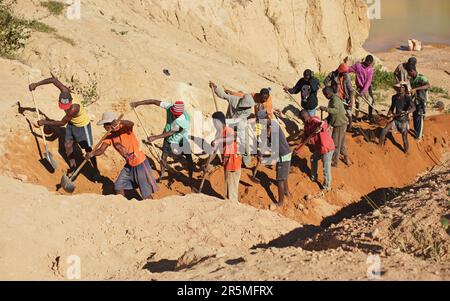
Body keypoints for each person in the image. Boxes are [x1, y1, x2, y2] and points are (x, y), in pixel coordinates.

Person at [29, 74, 97, 173]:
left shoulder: (73, 109)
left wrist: (45, 122)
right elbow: (53, 80)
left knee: (88, 148)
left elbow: (61, 123)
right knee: (68, 145)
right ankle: (73, 167)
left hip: (83, 126)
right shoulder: (65, 91)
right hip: (71, 123)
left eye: (66, 107)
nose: (64, 109)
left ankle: (95, 170)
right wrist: (36, 84)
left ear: (70, 102)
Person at [86, 112, 158, 199]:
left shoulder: (124, 128)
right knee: (119, 186)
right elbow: (101, 150)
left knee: (145, 193)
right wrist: (92, 153)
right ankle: (122, 205)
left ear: (110, 124)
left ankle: (151, 209)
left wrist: (120, 122)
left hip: (140, 163)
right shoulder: (109, 136)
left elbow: (131, 123)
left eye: (104, 125)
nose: (104, 127)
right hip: (129, 164)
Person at [130, 99, 193, 182]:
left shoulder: (183, 121)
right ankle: (162, 174)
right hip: (168, 138)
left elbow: (171, 132)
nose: (174, 115)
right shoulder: (170, 107)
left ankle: (191, 177)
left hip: (181, 139)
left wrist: (155, 137)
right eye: (174, 114)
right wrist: (137, 103)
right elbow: (154, 101)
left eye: (176, 115)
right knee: (164, 156)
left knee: (188, 158)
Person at [210, 82, 256, 168]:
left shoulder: (248, 111)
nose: (247, 108)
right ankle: (225, 160)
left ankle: (246, 162)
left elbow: (237, 120)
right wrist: (216, 88)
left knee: (244, 144)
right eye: (246, 106)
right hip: (228, 124)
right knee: (224, 141)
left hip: (240, 125)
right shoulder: (234, 99)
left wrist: (224, 121)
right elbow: (223, 95)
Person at [258, 109, 292, 207]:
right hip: (284, 153)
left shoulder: (273, 128)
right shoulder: (271, 125)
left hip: (283, 154)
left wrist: (263, 154)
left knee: (280, 179)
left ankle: (280, 202)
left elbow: (273, 149)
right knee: (283, 175)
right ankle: (287, 192)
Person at [206, 112, 242, 202]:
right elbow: (214, 151)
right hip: (227, 164)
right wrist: (207, 163)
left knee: (232, 191)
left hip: (233, 164)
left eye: (215, 123)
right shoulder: (219, 133)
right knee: (228, 189)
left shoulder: (228, 130)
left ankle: (234, 209)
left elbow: (232, 137)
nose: (214, 125)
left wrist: (219, 140)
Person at [297, 110, 335, 192]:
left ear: (304, 117)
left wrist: (320, 127)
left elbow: (322, 123)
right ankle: (314, 177)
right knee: (313, 159)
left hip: (327, 147)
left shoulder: (314, 120)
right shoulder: (306, 126)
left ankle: (327, 187)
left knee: (326, 168)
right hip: (320, 148)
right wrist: (298, 150)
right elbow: (304, 139)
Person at [379, 82, 416, 153]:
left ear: (404, 88)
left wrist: (407, 112)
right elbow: (392, 107)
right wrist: (388, 115)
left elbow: (414, 108)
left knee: (404, 138)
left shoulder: (407, 97)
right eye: (398, 87)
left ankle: (406, 152)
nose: (399, 89)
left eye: (401, 87)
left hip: (404, 121)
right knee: (384, 131)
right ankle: (379, 147)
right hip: (395, 119)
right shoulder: (394, 97)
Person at [319, 87, 350, 167]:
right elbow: (332, 114)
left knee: (335, 143)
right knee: (341, 143)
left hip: (340, 124)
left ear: (328, 94)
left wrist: (325, 109)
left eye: (325, 95)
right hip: (341, 123)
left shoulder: (335, 99)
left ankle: (334, 161)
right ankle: (346, 158)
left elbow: (335, 110)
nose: (325, 97)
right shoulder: (333, 99)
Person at [324, 63, 354, 130]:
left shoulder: (347, 77)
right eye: (344, 72)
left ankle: (350, 126)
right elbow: (325, 81)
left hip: (345, 97)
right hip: (336, 97)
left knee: (348, 112)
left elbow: (351, 90)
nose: (345, 73)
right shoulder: (333, 74)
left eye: (346, 72)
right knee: (333, 111)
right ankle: (332, 124)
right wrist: (329, 90)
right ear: (340, 71)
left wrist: (351, 101)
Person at [406, 63, 430, 140]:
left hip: (422, 101)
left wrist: (416, 89)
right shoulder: (411, 80)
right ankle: (418, 133)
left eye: (408, 72)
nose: (408, 74)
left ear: (412, 71)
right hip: (415, 101)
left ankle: (419, 137)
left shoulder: (421, 78)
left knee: (419, 117)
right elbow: (413, 91)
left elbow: (428, 85)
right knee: (415, 117)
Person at [349, 55, 375, 120]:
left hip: (367, 88)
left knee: (370, 101)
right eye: (367, 62)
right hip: (359, 87)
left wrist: (363, 92)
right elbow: (349, 69)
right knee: (358, 102)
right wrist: (344, 71)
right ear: (365, 60)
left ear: (371, 63)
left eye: (370, 63)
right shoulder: (358, 66)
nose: (368, 64)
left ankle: (370, 116)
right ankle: (357, 116)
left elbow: (368, 82)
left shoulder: (370, 70)